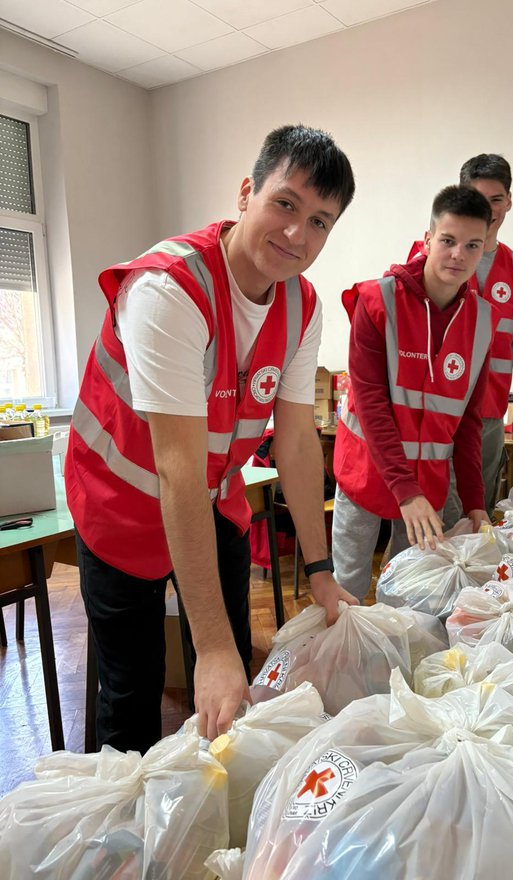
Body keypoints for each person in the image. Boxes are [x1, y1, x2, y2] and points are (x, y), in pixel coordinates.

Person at [65, 124, 358, 752]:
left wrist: (321, 571)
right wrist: (216, 649)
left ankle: (209, 818)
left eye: (320, 222)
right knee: (133, 690)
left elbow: (298, 442)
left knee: (231, 687)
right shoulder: (170, 289)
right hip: (120, 510)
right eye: (285, 204)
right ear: (247, 193)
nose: (297, 234)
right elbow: (175, 468)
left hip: (211, 498)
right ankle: (128, 840)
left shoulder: (302, 305)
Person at [331, 186, 494, 602]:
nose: (458, 254)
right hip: (367, 472)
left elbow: (468, 422)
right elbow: (370, 404)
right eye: (448, 241)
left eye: (472, 245)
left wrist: (475, 501)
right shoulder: (377, 301)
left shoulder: (479, 322)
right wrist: (406, 491)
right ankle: (337, 663)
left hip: (428, 483)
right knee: (347, 584)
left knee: (409, 592)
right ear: (427, 240)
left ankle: (395, 666)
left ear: (484, 249)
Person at [413, 154, 513, 528]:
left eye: (496, 199)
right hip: (432, 413)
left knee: (475, 513)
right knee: (431, 519)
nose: (487, 208)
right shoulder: (431, 254)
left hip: (488, 418)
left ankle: (469, 584)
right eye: (476, 196)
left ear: (509, 202)